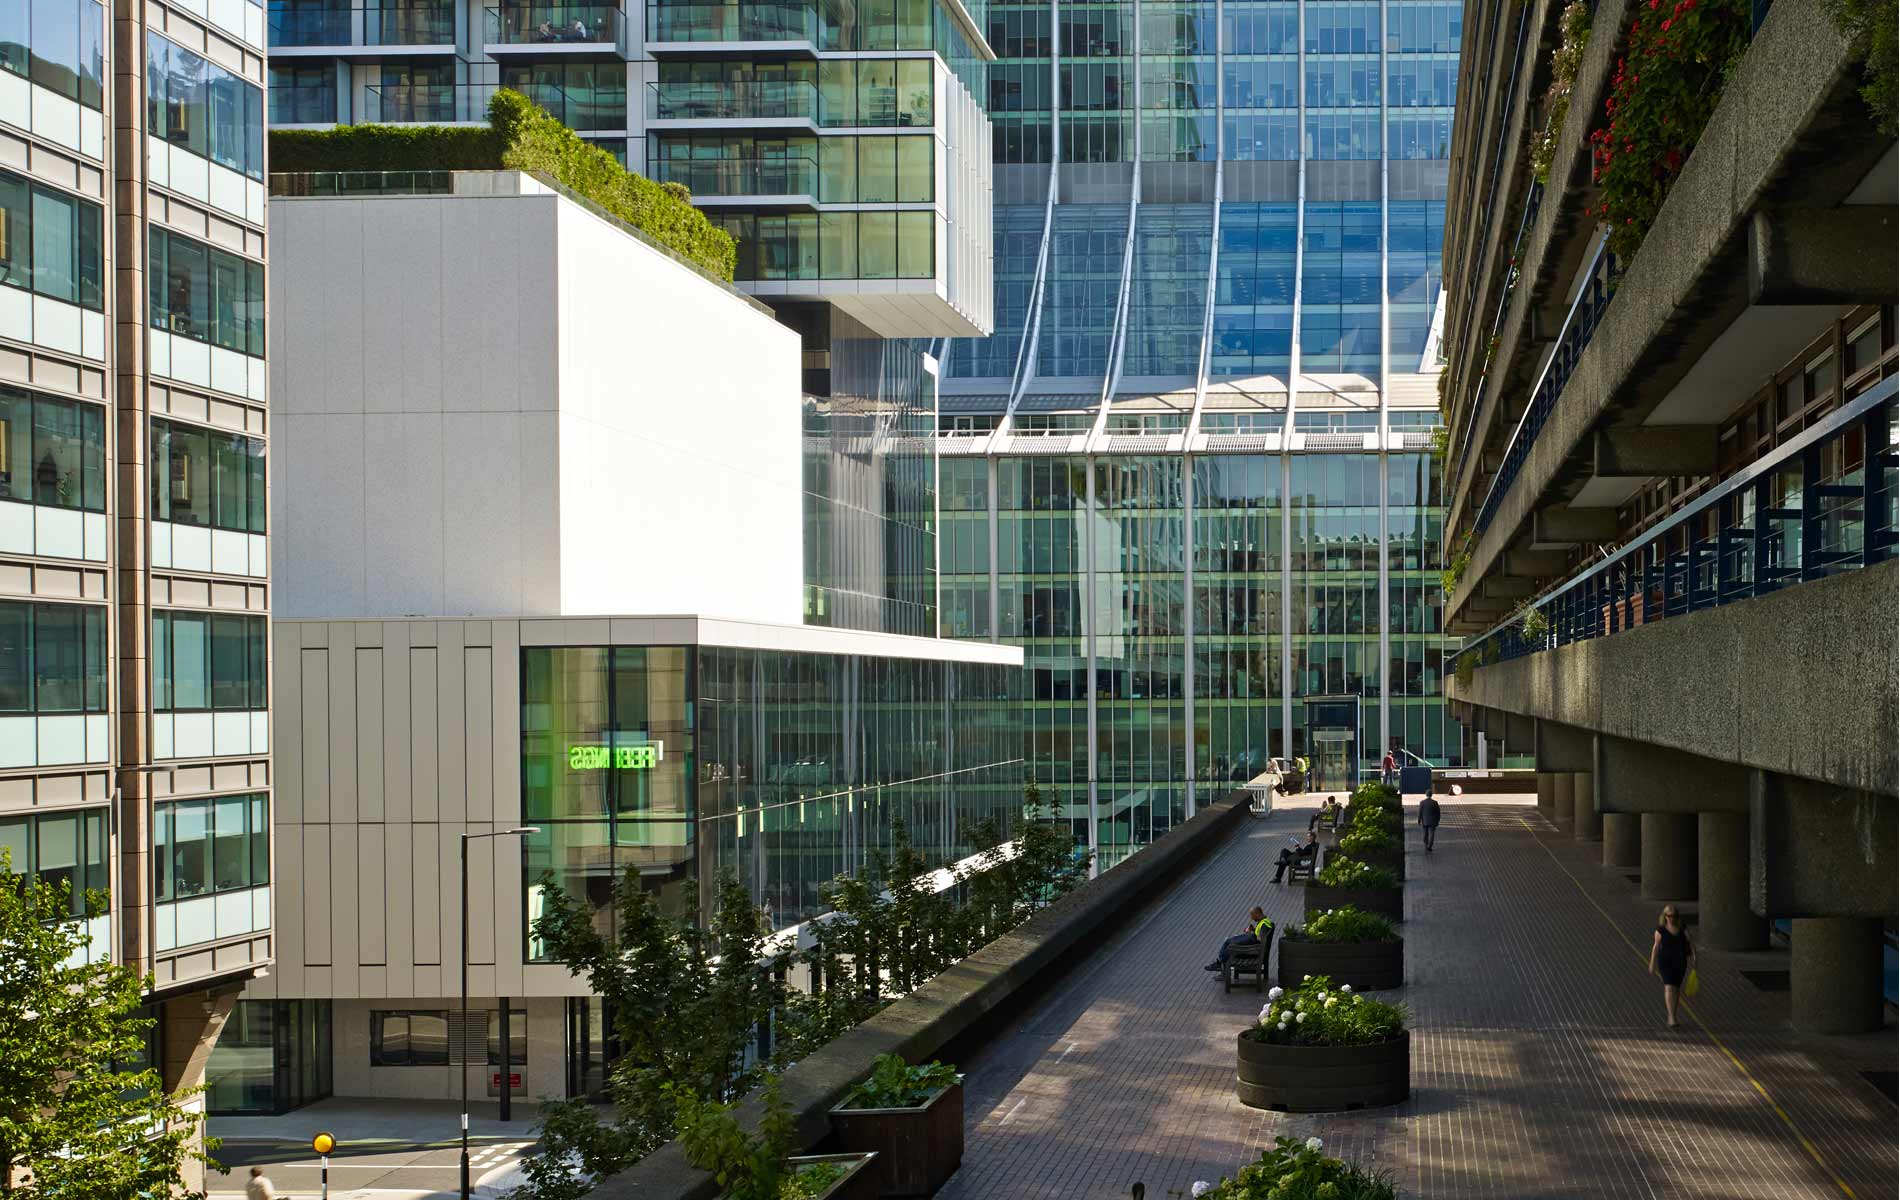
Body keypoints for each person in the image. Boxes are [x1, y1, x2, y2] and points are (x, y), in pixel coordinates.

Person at [1649, 905, 1696, 1028]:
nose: (1671, 918)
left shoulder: (1682, 928)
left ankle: (1674, 1014)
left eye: (1674, 916)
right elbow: (1656, 947)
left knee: (1676, 989)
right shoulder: (1660, 930)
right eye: (1669, 916)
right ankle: (1671, 1017)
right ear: (1664, 916)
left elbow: (1691, 943)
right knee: (1669, 987)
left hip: (1680, 962)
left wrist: (1695, 959)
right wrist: (1652, 963)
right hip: (1665, 962)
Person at [1205, 906, 1273, 972]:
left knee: (1229, 944)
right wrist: (1253, 930)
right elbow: (1260, 935)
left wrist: (1251, 935)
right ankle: (1220, 962)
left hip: (1253, 950)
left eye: (1252, 915)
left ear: (1257, 914)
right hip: (1254, 945)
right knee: (1229, 942)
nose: (1251, 918)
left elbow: (1260, 939)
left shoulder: (1264, 924)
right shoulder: (1265, 921)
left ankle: (1220, 963)